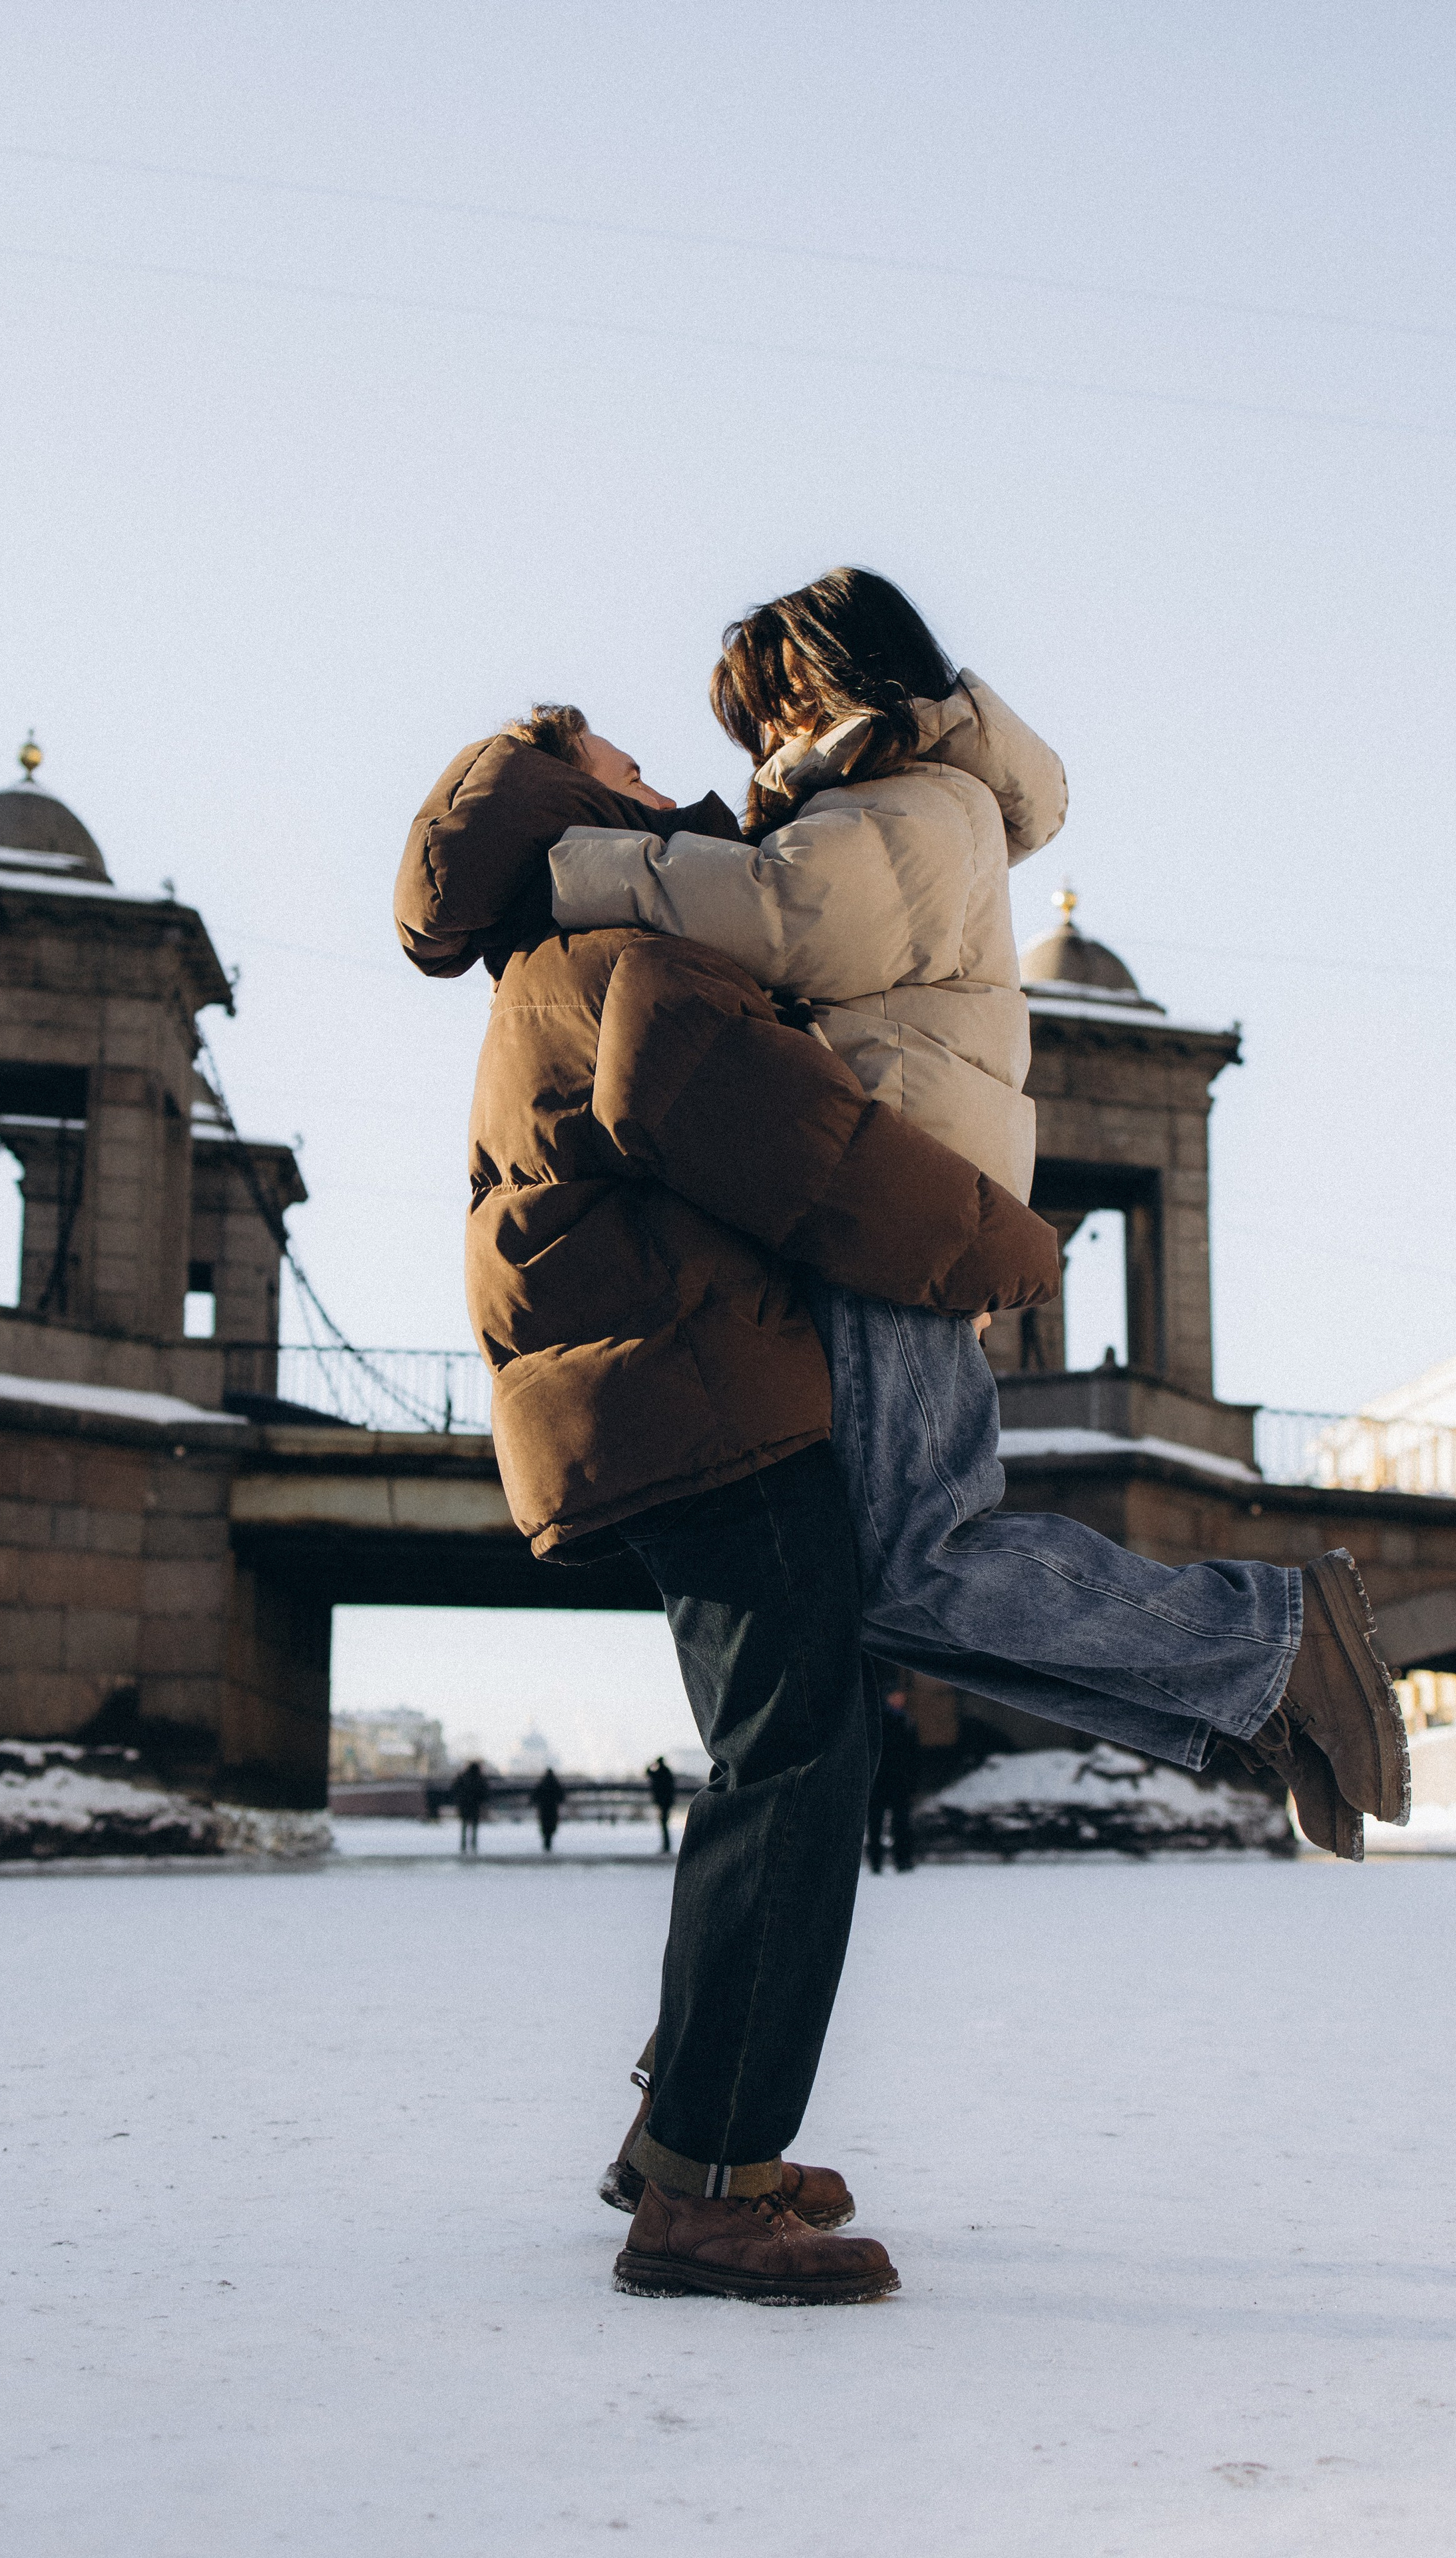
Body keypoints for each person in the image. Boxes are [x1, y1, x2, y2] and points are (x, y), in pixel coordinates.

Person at [546, 568, 1409, 1863]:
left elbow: (787, 918)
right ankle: (1257, 1697)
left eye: (764, 710)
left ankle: (1273, 1644)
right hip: (876, 1196)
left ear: (828, 679)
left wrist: (576, 866)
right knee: (894, 1585)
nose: (757, 744)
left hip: (884, 1200)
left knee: (921, 1561)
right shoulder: (888, 802)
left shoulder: (910, 801)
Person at [395, 705, 1059, 2305]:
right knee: (800, 1756)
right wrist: (1003, 1245)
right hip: (713, 1400)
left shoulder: (552, 972)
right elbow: (811, 1154)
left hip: (667, 1402)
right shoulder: (624, 957)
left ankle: (689, 2138)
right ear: (564, 802)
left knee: (784, 1749)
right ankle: (702, 2188)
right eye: (617, 765)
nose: (652, 775)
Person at [866, 1688, 921, 1875]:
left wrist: (913, 1783)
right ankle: (876, 1862)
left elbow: (914, 1756)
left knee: (901, 1824)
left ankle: (902, 1860)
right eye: (895, 1696)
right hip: (880, 1780)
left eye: (901, 1696)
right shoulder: (878, 1720)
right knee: (876, 1823)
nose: (899, 1700)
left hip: (900, 1781)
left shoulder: (907, 1721)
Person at [450, 1759, 490, 1855]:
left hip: (464, 1805)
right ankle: (473, 1845)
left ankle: (463, 1846)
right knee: (474, 1826)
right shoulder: (480, 1779)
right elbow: (485, 1792)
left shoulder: (463, 1777)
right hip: (475, 1806)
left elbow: (455, 1789)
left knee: (464, 1825)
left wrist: (459, 1801)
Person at [645, 1756, 677, 1854]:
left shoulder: (659, 1773)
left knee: (664, 1824)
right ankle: (666, 1846)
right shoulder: (667, 1772)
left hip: (662, 1802)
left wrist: (652, 1764)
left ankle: (666, 1846)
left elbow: (648, 1772)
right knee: (664, 1824)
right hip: (667, 1802)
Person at [531, 1765, 565, 1853]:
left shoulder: (542, 1784)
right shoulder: (555, 1784)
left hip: (544, 1809)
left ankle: (546, 1844)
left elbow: (534, 1796)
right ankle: (548, 1844)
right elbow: (562, 1797)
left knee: (545, 1827)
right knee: (551, 1827)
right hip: (553, 1809)